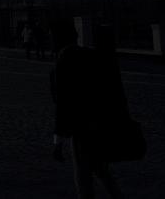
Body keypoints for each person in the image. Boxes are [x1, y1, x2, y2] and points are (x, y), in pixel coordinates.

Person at [51, 23, 128, 198]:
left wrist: (58, 140)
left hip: (81, 128)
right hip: (100, 123)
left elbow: (64, 102)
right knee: (101, 170)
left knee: (83, 176)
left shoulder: (64, 59)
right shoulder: (91, 55)